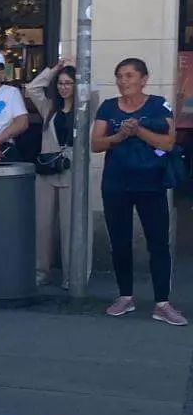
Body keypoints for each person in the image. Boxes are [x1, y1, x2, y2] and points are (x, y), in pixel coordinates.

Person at [93, 57, 185, 324]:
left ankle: (162, 303)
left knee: (158, 243)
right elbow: (96, 144)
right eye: (120, 76)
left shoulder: (158, 105)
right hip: (116, 183)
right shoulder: (108, 107)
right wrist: (119, 136)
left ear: (144, 79)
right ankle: (125, 296)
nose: (124, 81)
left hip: (151, 183)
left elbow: (168, 142)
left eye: (130, 76)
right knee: (119, 242)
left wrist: (138, 131)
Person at [26, 59, 77, 288]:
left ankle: (72, 275)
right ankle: (41, 271)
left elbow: (93, 91)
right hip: (47, 169)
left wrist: (80, 67)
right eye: (61, 83)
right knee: (43, 224)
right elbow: (32, 88)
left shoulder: (85, 109)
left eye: (69, 83)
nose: (64, 87)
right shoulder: (50, 109)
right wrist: (54, 69)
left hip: (72, 171)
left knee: (71, 226)